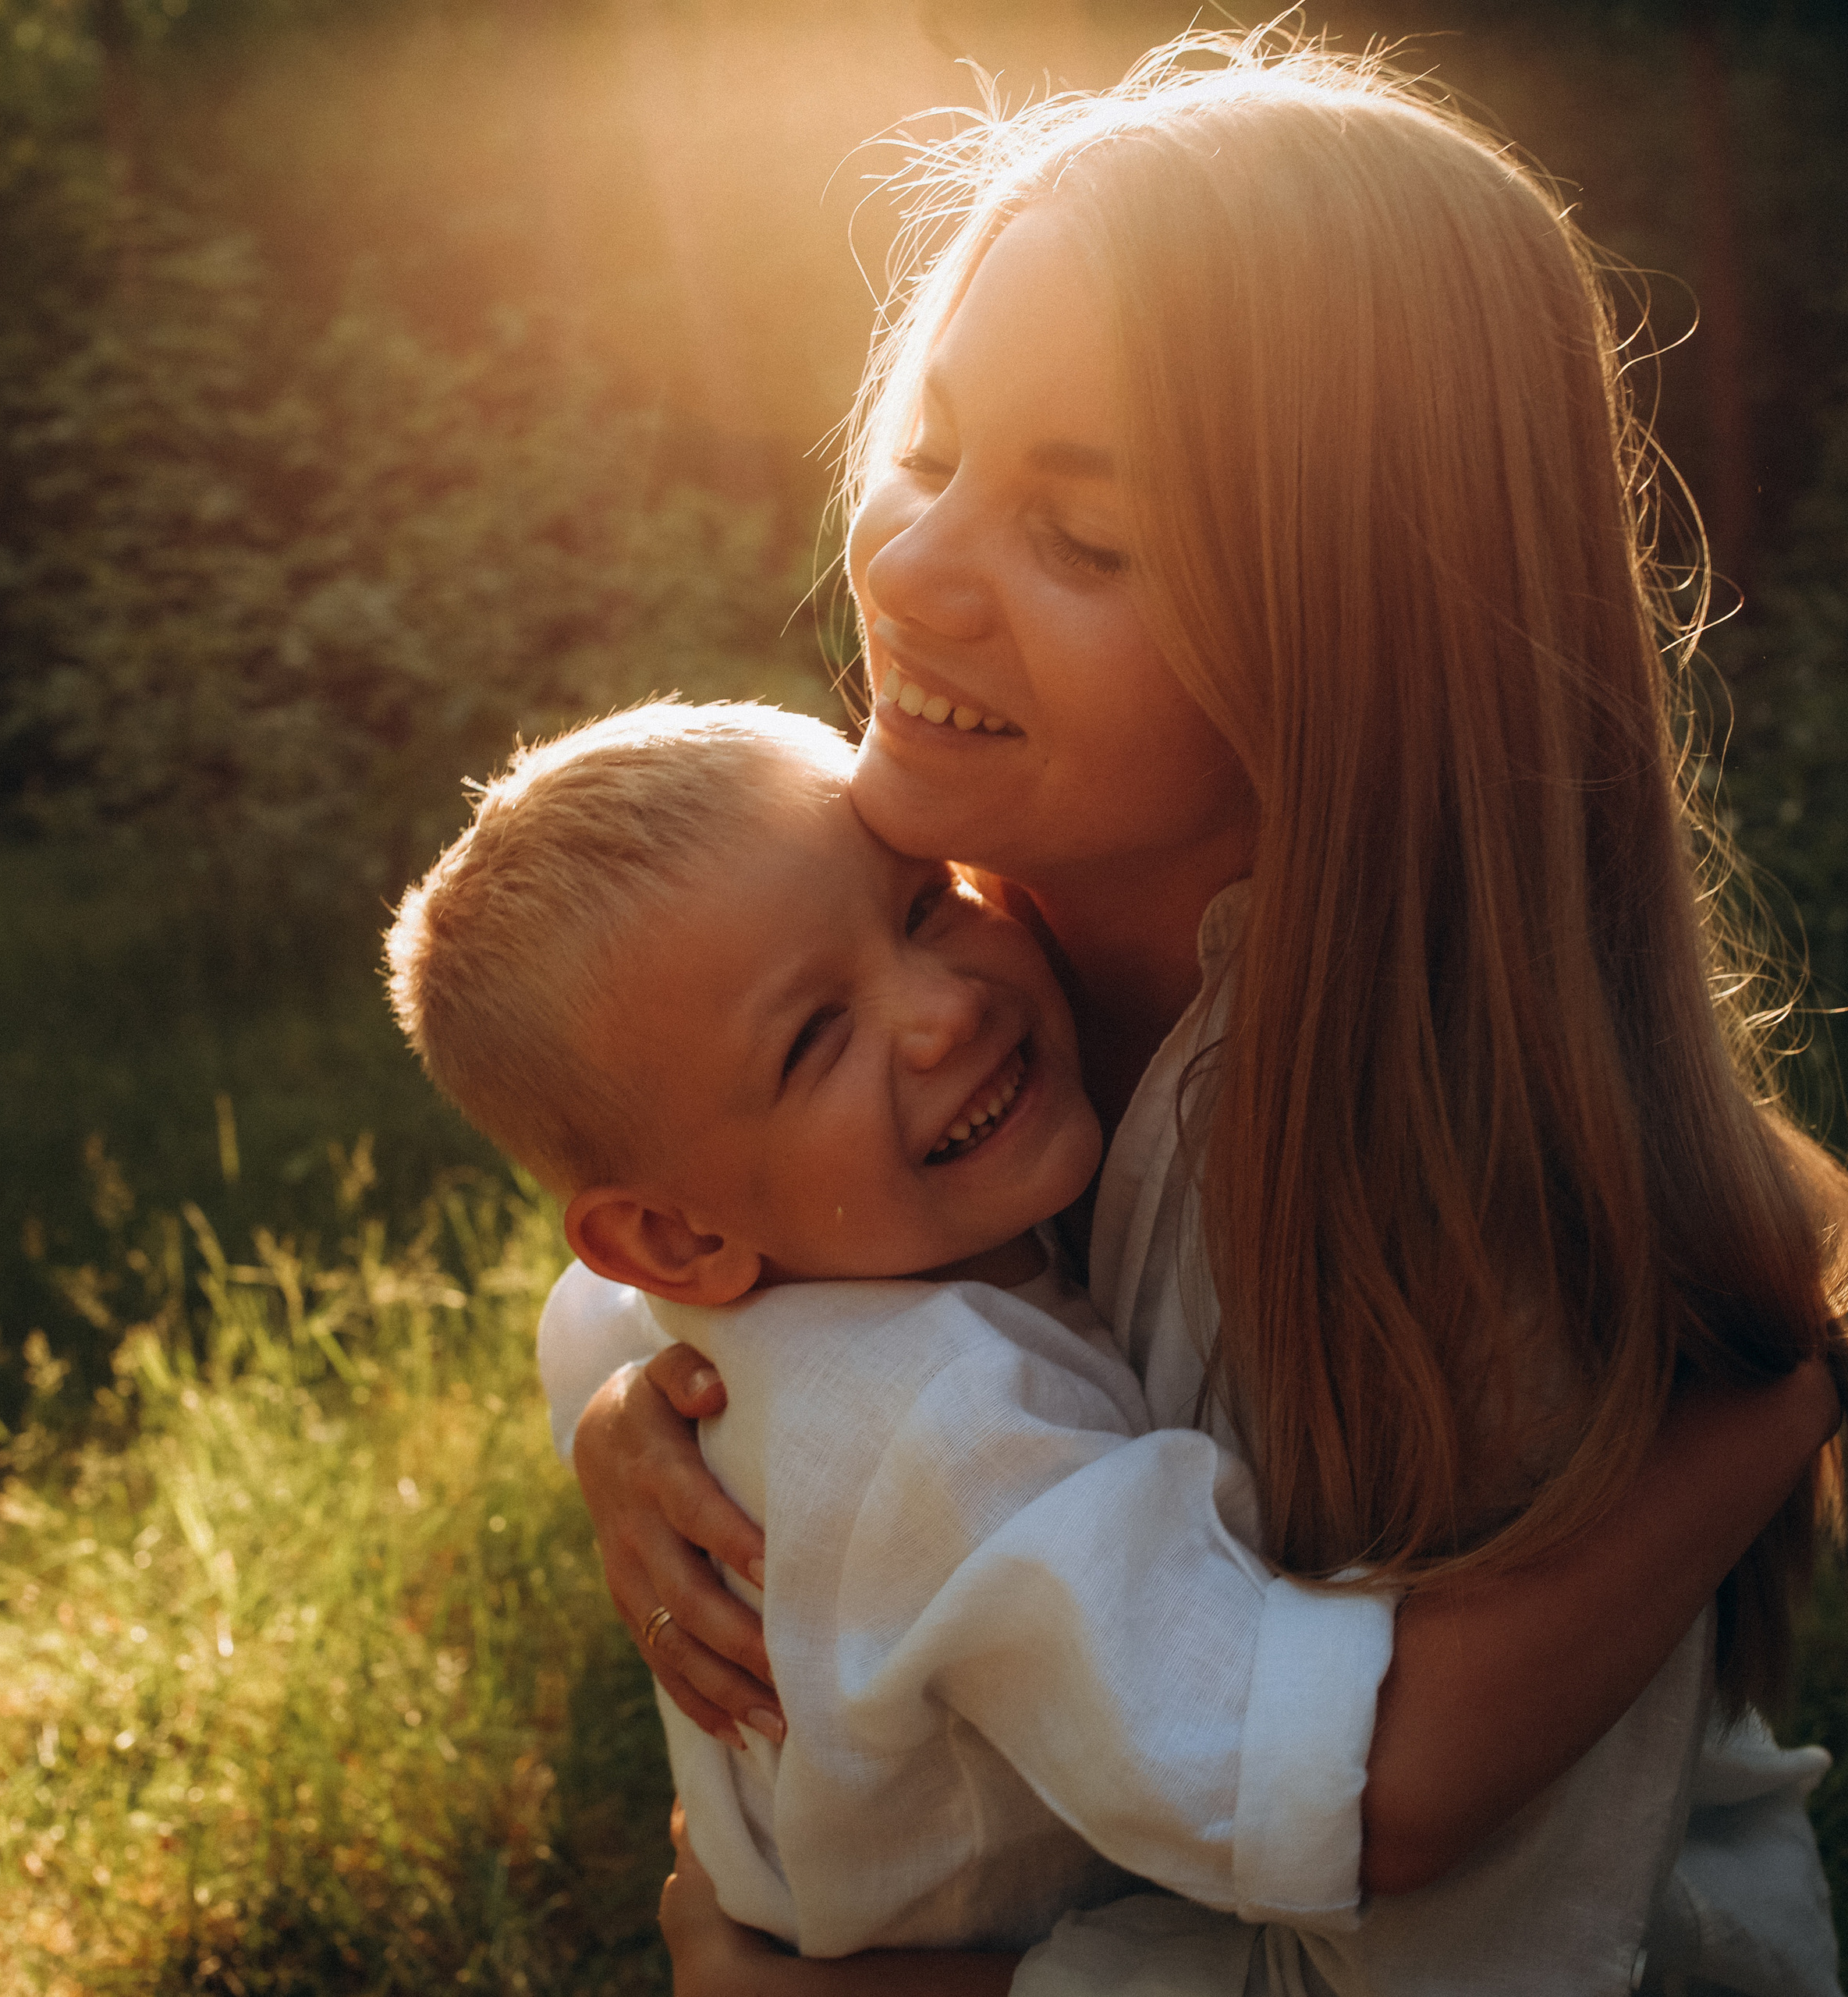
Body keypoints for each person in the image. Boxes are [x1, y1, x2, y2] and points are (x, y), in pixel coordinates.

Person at [566, 30, 1848, 1997]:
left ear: (1354, 636)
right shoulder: (933, 933)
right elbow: (662, 1181)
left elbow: (1422, 1946)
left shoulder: (1455, 1253)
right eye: (925, 449)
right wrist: (671, 1397)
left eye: (1078, 539)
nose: (907, 561)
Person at [385, 697, 1396, 1956]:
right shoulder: (947, 1422)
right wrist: (1707, 1459)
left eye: (925, 902)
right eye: (815, 1038)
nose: (943, 1011)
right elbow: (1294, 1784)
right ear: (678, 1242)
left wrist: (611, 1420)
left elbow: (590, 1316)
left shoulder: (729, 1310)